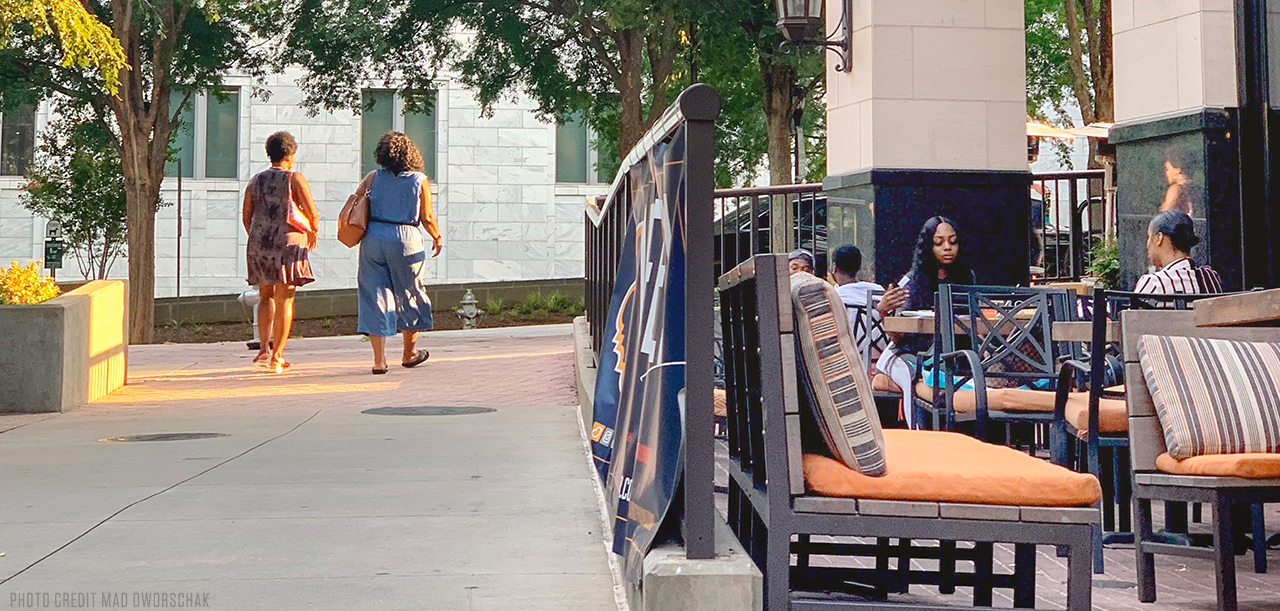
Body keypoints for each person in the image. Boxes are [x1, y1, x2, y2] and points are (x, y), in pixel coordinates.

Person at [873, 217, 976, 426]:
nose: (947, 248)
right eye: (939, 243)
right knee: (914, 376)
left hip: (949, 355)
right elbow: (898, 337)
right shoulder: (912, 281)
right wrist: (884, 312)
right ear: (928, 247)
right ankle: (918, 433)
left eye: (953, 242)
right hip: (906, 354)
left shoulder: (967, 277)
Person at [357, 131, 443, 374]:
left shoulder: (373, 177)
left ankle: (379, 361)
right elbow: (426, 216)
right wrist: (436, 236)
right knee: (410, 293)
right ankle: (409, 353)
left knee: (374, 295)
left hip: (373, 237)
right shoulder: (419, 179)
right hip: (406, 238)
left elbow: (356, 201)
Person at [243, 131, 318, 373]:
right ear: (290, 154)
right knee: (285, 297)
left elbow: (247, 216)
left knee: (265, 296)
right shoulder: (294, 178)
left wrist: (259, 236)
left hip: (259, 243)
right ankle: (278, 354)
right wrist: (312, 233)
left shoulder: (255, 180)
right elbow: (312, 212)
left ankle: (263, 348)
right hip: (288, 243)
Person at [831, 245, 905, 369]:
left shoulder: (835, 299)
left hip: (849, 363)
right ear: (858, 267)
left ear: (834, 268)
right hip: (884, 360)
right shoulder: (880, 294)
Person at [1135, 209, 1222, 294]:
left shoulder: (1153, 283)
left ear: (1159, 238)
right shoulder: (1210, 277)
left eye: (1149, 236)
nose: (1147, 244)